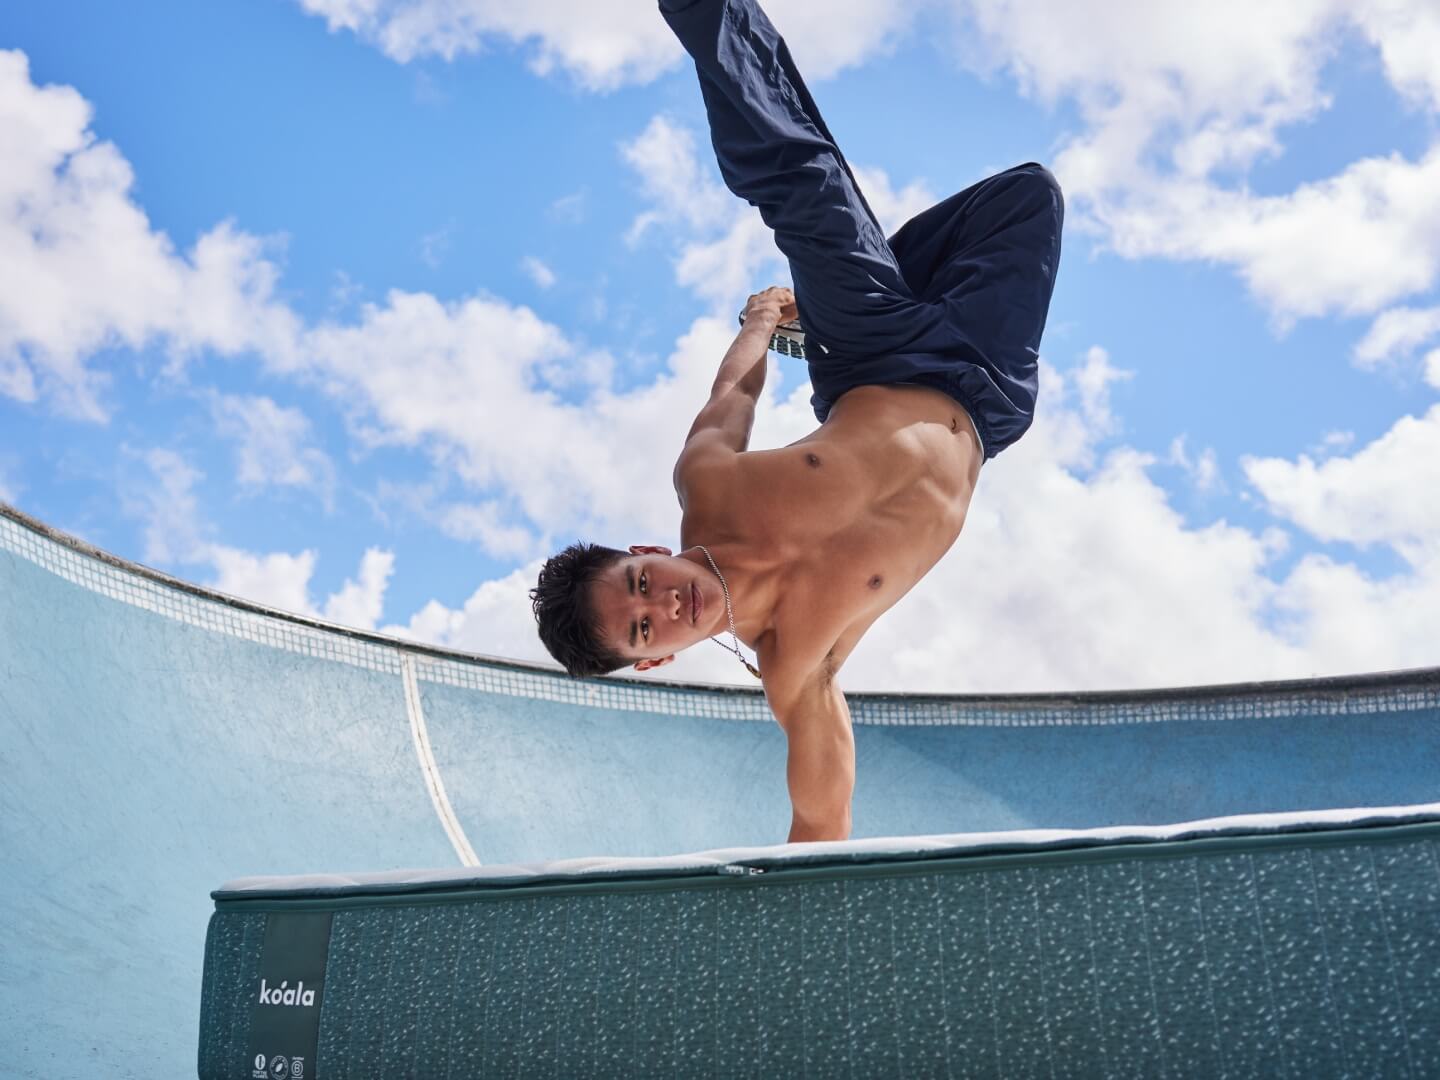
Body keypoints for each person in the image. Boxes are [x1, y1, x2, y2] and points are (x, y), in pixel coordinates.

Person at [531, 0, 1063, 843]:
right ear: (657, 658)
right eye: (644, 630)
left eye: (641, 584)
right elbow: (821, 820)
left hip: (872, 350)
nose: (664, 604)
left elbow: (732, 399)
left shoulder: (709, 488)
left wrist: (758, 318)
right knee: (1031, 198)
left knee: (806, 187)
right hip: (987, 398)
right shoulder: (799, 668)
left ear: (644, 554)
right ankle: (835, 290)